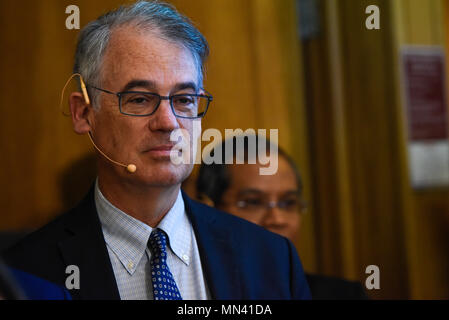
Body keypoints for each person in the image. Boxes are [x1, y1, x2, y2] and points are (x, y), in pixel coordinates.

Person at [2, 1, 310, 300]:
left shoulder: (270, 257)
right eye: (139, 99)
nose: (168, 123)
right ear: (84, 113)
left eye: (184, 99)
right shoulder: (26, 273)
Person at [195, 134, 367, 299]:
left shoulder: (346, 295)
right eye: (253, 202)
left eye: (288, 203)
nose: (277, 220)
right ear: (207, 210)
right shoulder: (188, 291)